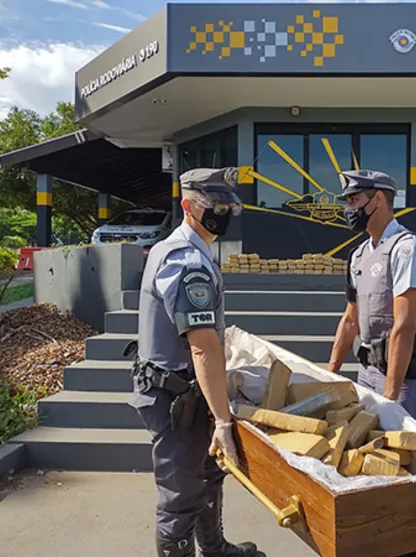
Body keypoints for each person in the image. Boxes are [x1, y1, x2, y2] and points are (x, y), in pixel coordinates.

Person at [128, 167, 265, 557]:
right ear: (188, 206)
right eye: (214, 205)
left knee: (208, 474)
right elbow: (202, 346)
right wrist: (224, 422)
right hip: (175, 399)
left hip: (189, 390)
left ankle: (214, 548)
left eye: (227, 206)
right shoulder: (186, 261)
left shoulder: (189, 249)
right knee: (181, 493)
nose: (222, 212)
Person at [327, 169, 416, 424]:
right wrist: (331, 374)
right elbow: (350, 320)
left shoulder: (406, 249)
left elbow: (404, 324)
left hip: (401, 379)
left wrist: (390, 396)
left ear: (377, 199)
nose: (348, 208)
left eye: (354, 200)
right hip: (366, 372)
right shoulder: (359, 255)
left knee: (399, 456)